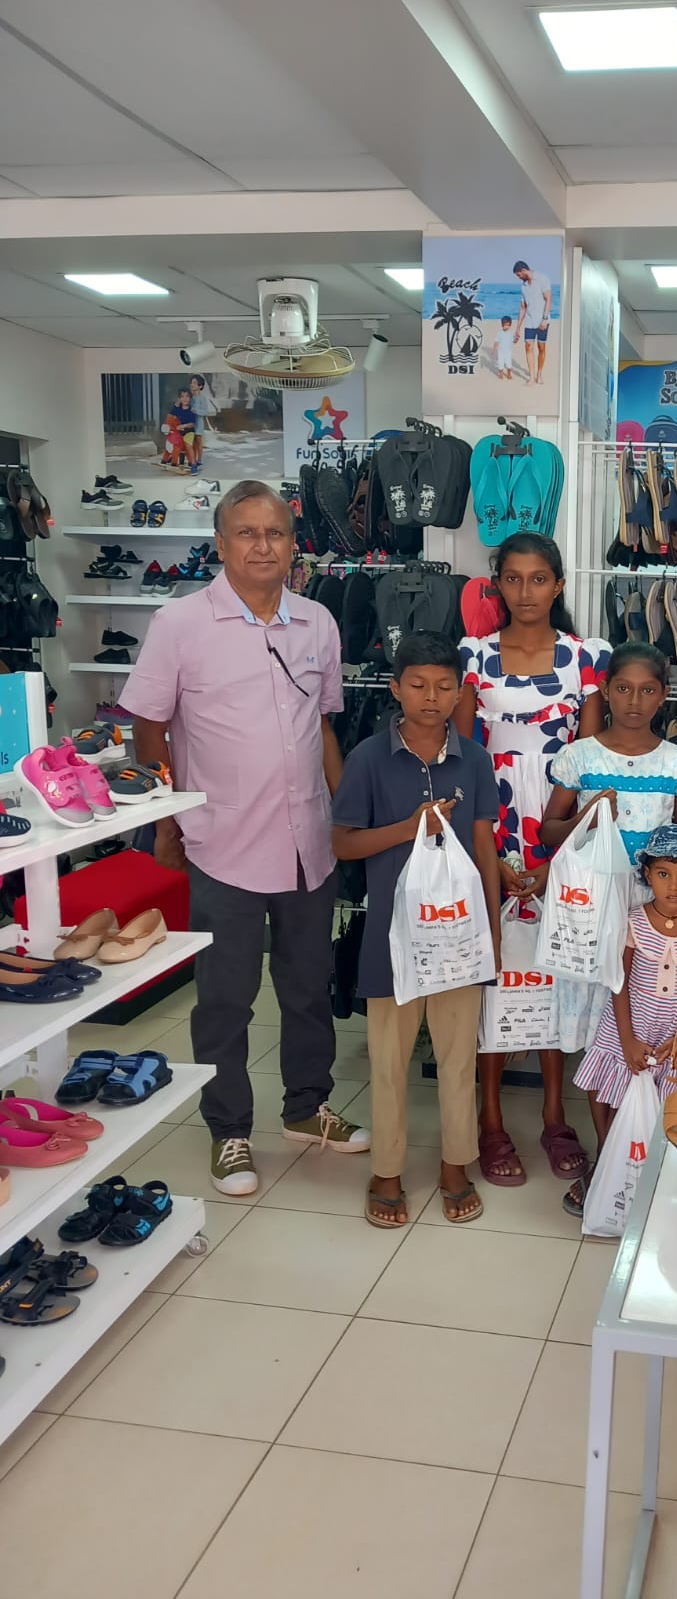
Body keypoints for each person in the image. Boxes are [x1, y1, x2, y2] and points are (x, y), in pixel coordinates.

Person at [124, 480, 368, 1198]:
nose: (263, 546)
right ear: (221, 543)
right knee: (225, 998)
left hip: (307, 843)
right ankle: (229, 1129)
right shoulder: (179, 624)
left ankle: (307, 1108)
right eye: (247, 533)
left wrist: (343, 818)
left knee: (308, 987)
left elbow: (322, 726)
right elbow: (148, 728)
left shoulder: (318, 622)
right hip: (221, 841)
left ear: (294, 544)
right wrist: (165, 820)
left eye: (276, 533)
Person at [541, 641, 677, 1213]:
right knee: (604, 1031)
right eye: (622, 688)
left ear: (664, 695)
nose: (633, 701)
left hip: (657, 910)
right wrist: (589, 813)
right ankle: (609, 1161)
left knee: (654, 1026)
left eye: (648, 690)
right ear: (606, 691)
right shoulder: (579, 756)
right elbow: (550, 833)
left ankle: (649, 1156)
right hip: (591, 907)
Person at [332, 632, 502, 1227]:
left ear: (460, 692)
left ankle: (456, 1164)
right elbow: (343, 842)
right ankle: (387, 1170)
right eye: (419, 685)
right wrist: (408, 828)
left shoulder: (474, 760)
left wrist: (491, 930)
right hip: (391, 938)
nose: (432, 697)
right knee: (388, 1059)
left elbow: (484, 847)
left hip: (459, 936)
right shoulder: (368, 759)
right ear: (395, 688)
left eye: (444, 686)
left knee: (458, 1058)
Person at [456, 532, 609, 1188]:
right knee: (495, 970)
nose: (525, 592)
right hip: (490, 830)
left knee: (555, 969)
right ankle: (490, 1120)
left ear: (558, 584)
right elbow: (463, 759)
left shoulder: (586, 658)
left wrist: (559, 855)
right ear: (498, 584)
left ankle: (554, 1114)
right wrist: (490, 853)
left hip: (560, 833)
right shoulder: (474, 658)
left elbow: (592, 767)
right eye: (512, 579)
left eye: (538, 579)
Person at [573, 822, 677, 1189]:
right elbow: (619, 981)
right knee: (609, 1087)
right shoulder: (634, 922)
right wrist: (626, 1039)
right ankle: (607, 1154)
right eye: (663, 874)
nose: (674, 886)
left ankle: (660, 1167)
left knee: (674, 1096)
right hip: (630, 1022)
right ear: (648, 875)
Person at [513, 258, 552, 386]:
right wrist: (518, 328)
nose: (519, 278)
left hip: (542, 320)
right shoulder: (523, 286)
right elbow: (523, 307)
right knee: (528, 346)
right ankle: (531, 376)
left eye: (519, 275)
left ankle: (539, 374)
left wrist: (545, 319)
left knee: (541, 347)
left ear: (523, 270)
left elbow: (548, 299)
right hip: (529, 321)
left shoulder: (542, 279)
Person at [188, 374, 219, 468]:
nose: (192, 385)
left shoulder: (202, 398)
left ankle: (199, 460)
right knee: (192, 442)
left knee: (199, 442)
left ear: (200, 386)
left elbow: (205, 411)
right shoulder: (190, 398)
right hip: (190, 423)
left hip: (199, 423)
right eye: (191, 383)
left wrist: (196, 411)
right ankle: (192, 459)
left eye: (194, 383)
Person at [167, 388, 197, 471]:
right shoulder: (178, 409)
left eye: (187, 396)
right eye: (182, 397)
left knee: (188, 446)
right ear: (179, 399)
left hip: (189, 432)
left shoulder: (192, 410)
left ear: (190, 398)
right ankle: (172, 458)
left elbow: (192, 424)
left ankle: (194, 464)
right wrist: (176, 404)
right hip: (178, 433)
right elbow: (170, 414)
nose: (185, 399)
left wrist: (184, 425)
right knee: (173, 443)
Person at [494, 315, 516, 381]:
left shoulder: (511, 334)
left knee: (509, 364)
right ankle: (501, 374)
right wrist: (494, 349)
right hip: (500, 352)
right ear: (502, 325)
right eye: (505, 325)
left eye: (508, 325)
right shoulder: (499, 333)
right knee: (500, 364)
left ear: (510, 325)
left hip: (508, 352)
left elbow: (514, 341)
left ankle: (509, 374)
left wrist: (516, 339)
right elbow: (496, 341)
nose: (506, 327)